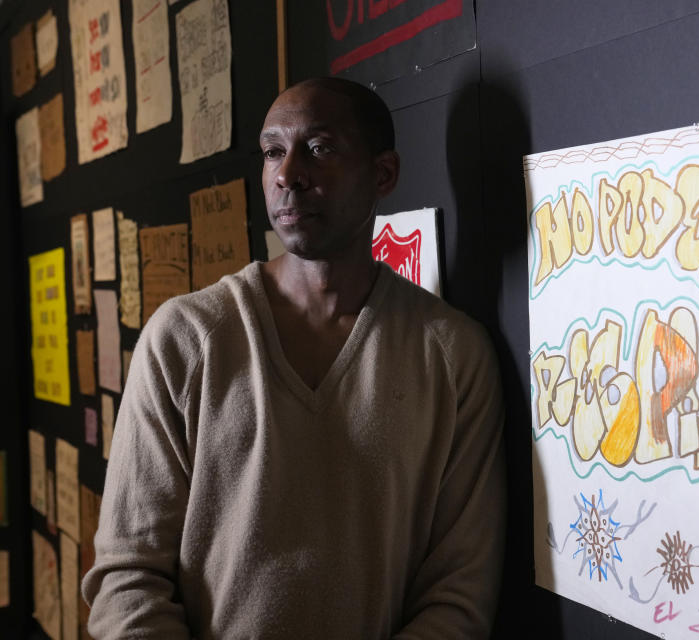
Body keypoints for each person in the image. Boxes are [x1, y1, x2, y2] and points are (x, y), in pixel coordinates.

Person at [81, 78, 507, 639]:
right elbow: (126, 580)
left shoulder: (453, 356)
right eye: (274, 152)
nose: (287, 175)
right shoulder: (184, 341)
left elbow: (459, 594)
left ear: (383, 174)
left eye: (320, 148)